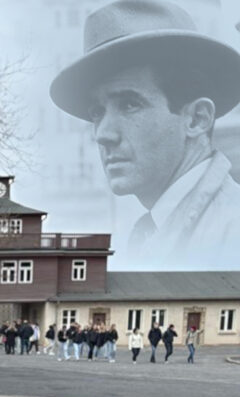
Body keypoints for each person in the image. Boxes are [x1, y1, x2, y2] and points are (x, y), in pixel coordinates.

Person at [49, 0, 240, 268]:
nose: (103, 134)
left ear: (197, 119)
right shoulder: (154, 230)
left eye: (129, 104)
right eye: (97, 112)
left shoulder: (231, 233)